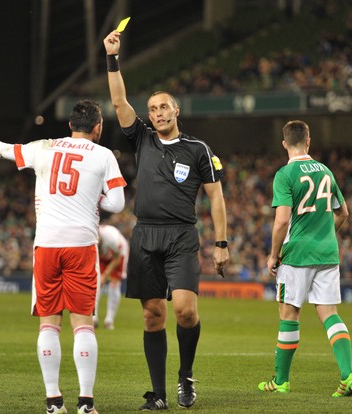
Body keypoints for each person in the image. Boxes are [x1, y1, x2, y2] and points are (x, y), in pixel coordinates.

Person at [0, 99, 126, 414]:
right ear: (98, 128)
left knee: (48, 325)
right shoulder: (104, 155)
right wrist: (92, 196)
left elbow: (3, 149)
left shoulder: (44, 147)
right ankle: (86, 403)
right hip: (81, 245)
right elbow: (118, 204)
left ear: (69, 125)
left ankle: (54, 402)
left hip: (47, 245)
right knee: (83, 325)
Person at [103, 30, 230, 410]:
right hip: (145, 236)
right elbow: (119, 99)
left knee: (186, 311)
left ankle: (185, 377)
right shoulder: (141, 137)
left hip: (180, 236)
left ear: (177, 111)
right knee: (152, 315)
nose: (157, 113)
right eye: (153, 108)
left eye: (164, 108)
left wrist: (221, 244)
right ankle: (157, 395)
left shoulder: (198, 150)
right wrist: (112, 58)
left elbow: (216, 198)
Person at [259, 120, 352, 397]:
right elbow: (344, 213)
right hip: (327, 253)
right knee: (330, 314)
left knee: (289, 314)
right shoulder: (326, 171)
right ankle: (348, 374)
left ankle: (281, 381)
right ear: (309, 141)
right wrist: (325, 236)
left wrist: (273, 256)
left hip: (296, 255)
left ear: (284, 144)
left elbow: (281, 221)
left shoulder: (285, 174)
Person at [93, 223, 129, 330]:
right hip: (102, 256)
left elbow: (117, 258)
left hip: (119, 253)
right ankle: (94, 318)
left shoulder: (111, 238)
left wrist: (105, 275)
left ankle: (109, 320)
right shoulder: (90, 238)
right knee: (95, 283)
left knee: (115, 283)